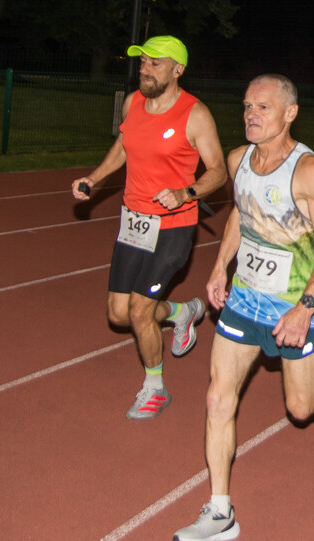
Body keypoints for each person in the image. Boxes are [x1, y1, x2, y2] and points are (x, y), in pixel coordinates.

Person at [173, 74, 314, 541]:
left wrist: (305, 308)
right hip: (245, 299)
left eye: (263, 107)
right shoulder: (238, 160)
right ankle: (219, 512)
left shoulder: (308, 171)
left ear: (289, 113)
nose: (251, 114)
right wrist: (218, 268)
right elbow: (240, 212)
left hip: (295, 304)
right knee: (217, 397)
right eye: (247, 105)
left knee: (299, 408)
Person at [71, 36, 226, 420]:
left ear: (177, 70)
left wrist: (185, 192)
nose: (144, 69)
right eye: (142, 62)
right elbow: (123, 147)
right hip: (134, 222)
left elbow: (219, 172)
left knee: (140, 311)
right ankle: (180, 312)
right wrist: (93, 179)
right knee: (119, 313)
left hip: (173, 227)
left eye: (155, 63)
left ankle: (154, 387)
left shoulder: (195, 114)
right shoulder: (133, 103)